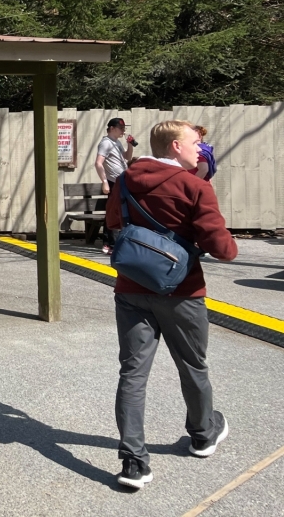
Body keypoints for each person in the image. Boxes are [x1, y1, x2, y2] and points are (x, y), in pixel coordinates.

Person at [105, 120, 237, 490]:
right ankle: (203, 434)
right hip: (182, 292)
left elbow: (114, 221)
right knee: (193, 366)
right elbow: (223, 249)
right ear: (175, 146)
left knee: (132, 374)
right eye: (195, 143)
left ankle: (133, 463)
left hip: (131, 288)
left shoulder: (124, 181)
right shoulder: (195, 186)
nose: (200, 149)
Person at [95, 118, 136, 254]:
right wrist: (104, 182)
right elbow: (98, 163)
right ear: (112, 128)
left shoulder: (116, 142)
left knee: (117, 211)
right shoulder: (106, 143)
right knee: (115, 212)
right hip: (113, 182)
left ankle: (110, 243)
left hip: (121, 181)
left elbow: (127, 157)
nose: (123, 131)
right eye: (121, 128)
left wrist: (130, 145)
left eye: (124, 128)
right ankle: (110, 244)